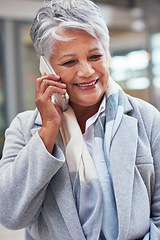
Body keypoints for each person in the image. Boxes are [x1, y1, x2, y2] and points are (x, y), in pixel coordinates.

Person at [0, 0, 160, 239]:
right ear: (46, 69)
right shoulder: (24, 129)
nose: (86, 71)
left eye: (95, 56)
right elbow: (10, 214)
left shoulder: (146, 119)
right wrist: (48, 130)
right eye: (69, 62)